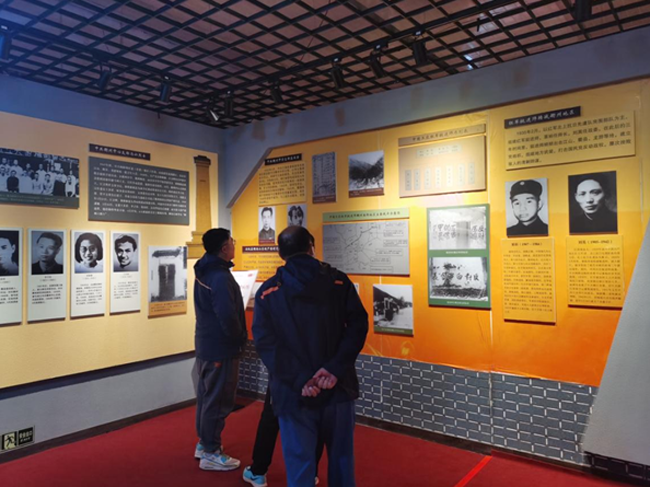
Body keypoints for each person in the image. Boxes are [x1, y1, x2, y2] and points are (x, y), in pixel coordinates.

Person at [253, 226, 368, 487]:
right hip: (338, 387)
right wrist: (334, 369)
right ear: (311, 247)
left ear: (281, 253)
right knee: (342, 460)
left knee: (299, 464)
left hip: (292, 392)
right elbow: (358, 326)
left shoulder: (268, 292)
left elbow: (266, 343)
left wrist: (301, 379)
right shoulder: (339, 283)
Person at [192, 228, 248, 472]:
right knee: (218, 399)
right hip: (221, 347)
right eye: (232, 241)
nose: (234, 244)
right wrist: (238, 339)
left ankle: (205, 443)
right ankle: (211, 451)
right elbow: (227, 315)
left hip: (207, 343)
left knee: (207, 396)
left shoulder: (205, 269)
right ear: (224, 248)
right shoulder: (219, 277)